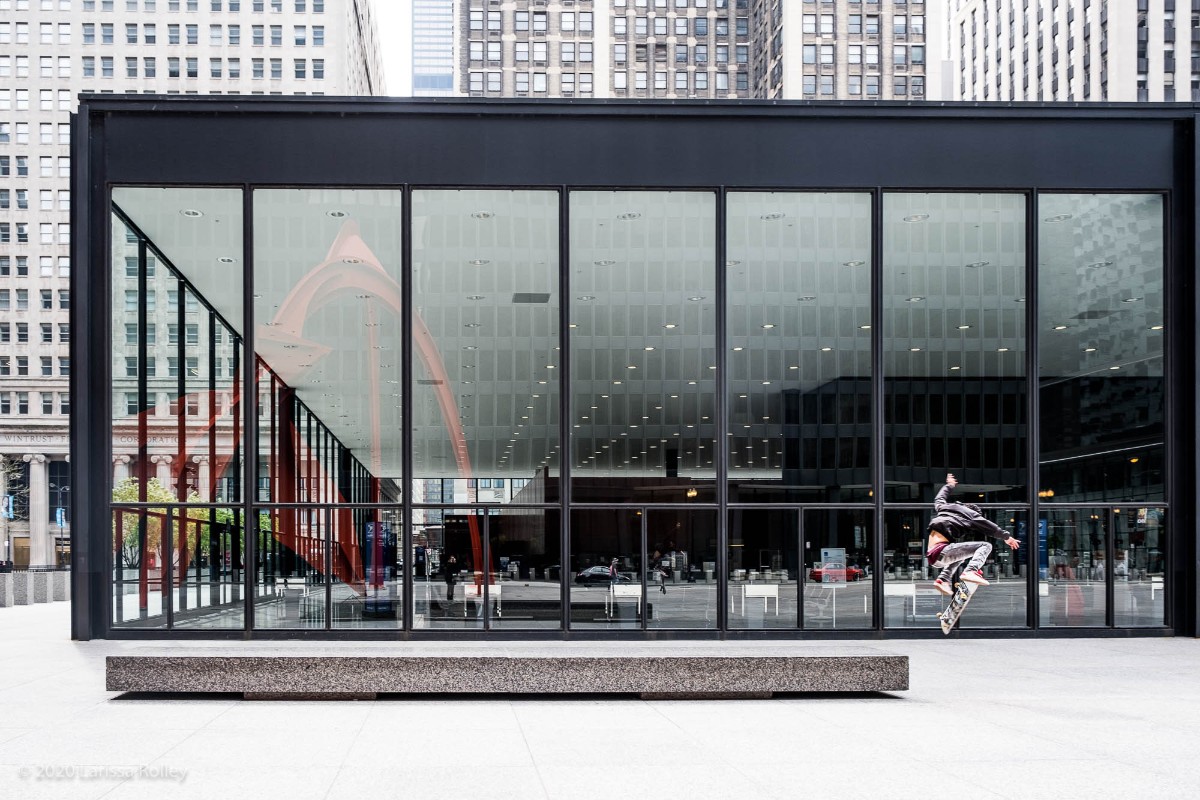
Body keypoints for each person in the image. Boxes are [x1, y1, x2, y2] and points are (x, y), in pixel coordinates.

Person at [927, 473, 1020, 596]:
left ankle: (943, 579)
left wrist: (948, 486)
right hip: (942, 551)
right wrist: (1007, 537)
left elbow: (939, 498)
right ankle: (971, 571)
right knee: (986, 546)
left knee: (961, 555)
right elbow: (990, 527)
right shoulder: (970, 514)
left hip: (933, 557)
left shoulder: (944, 507)